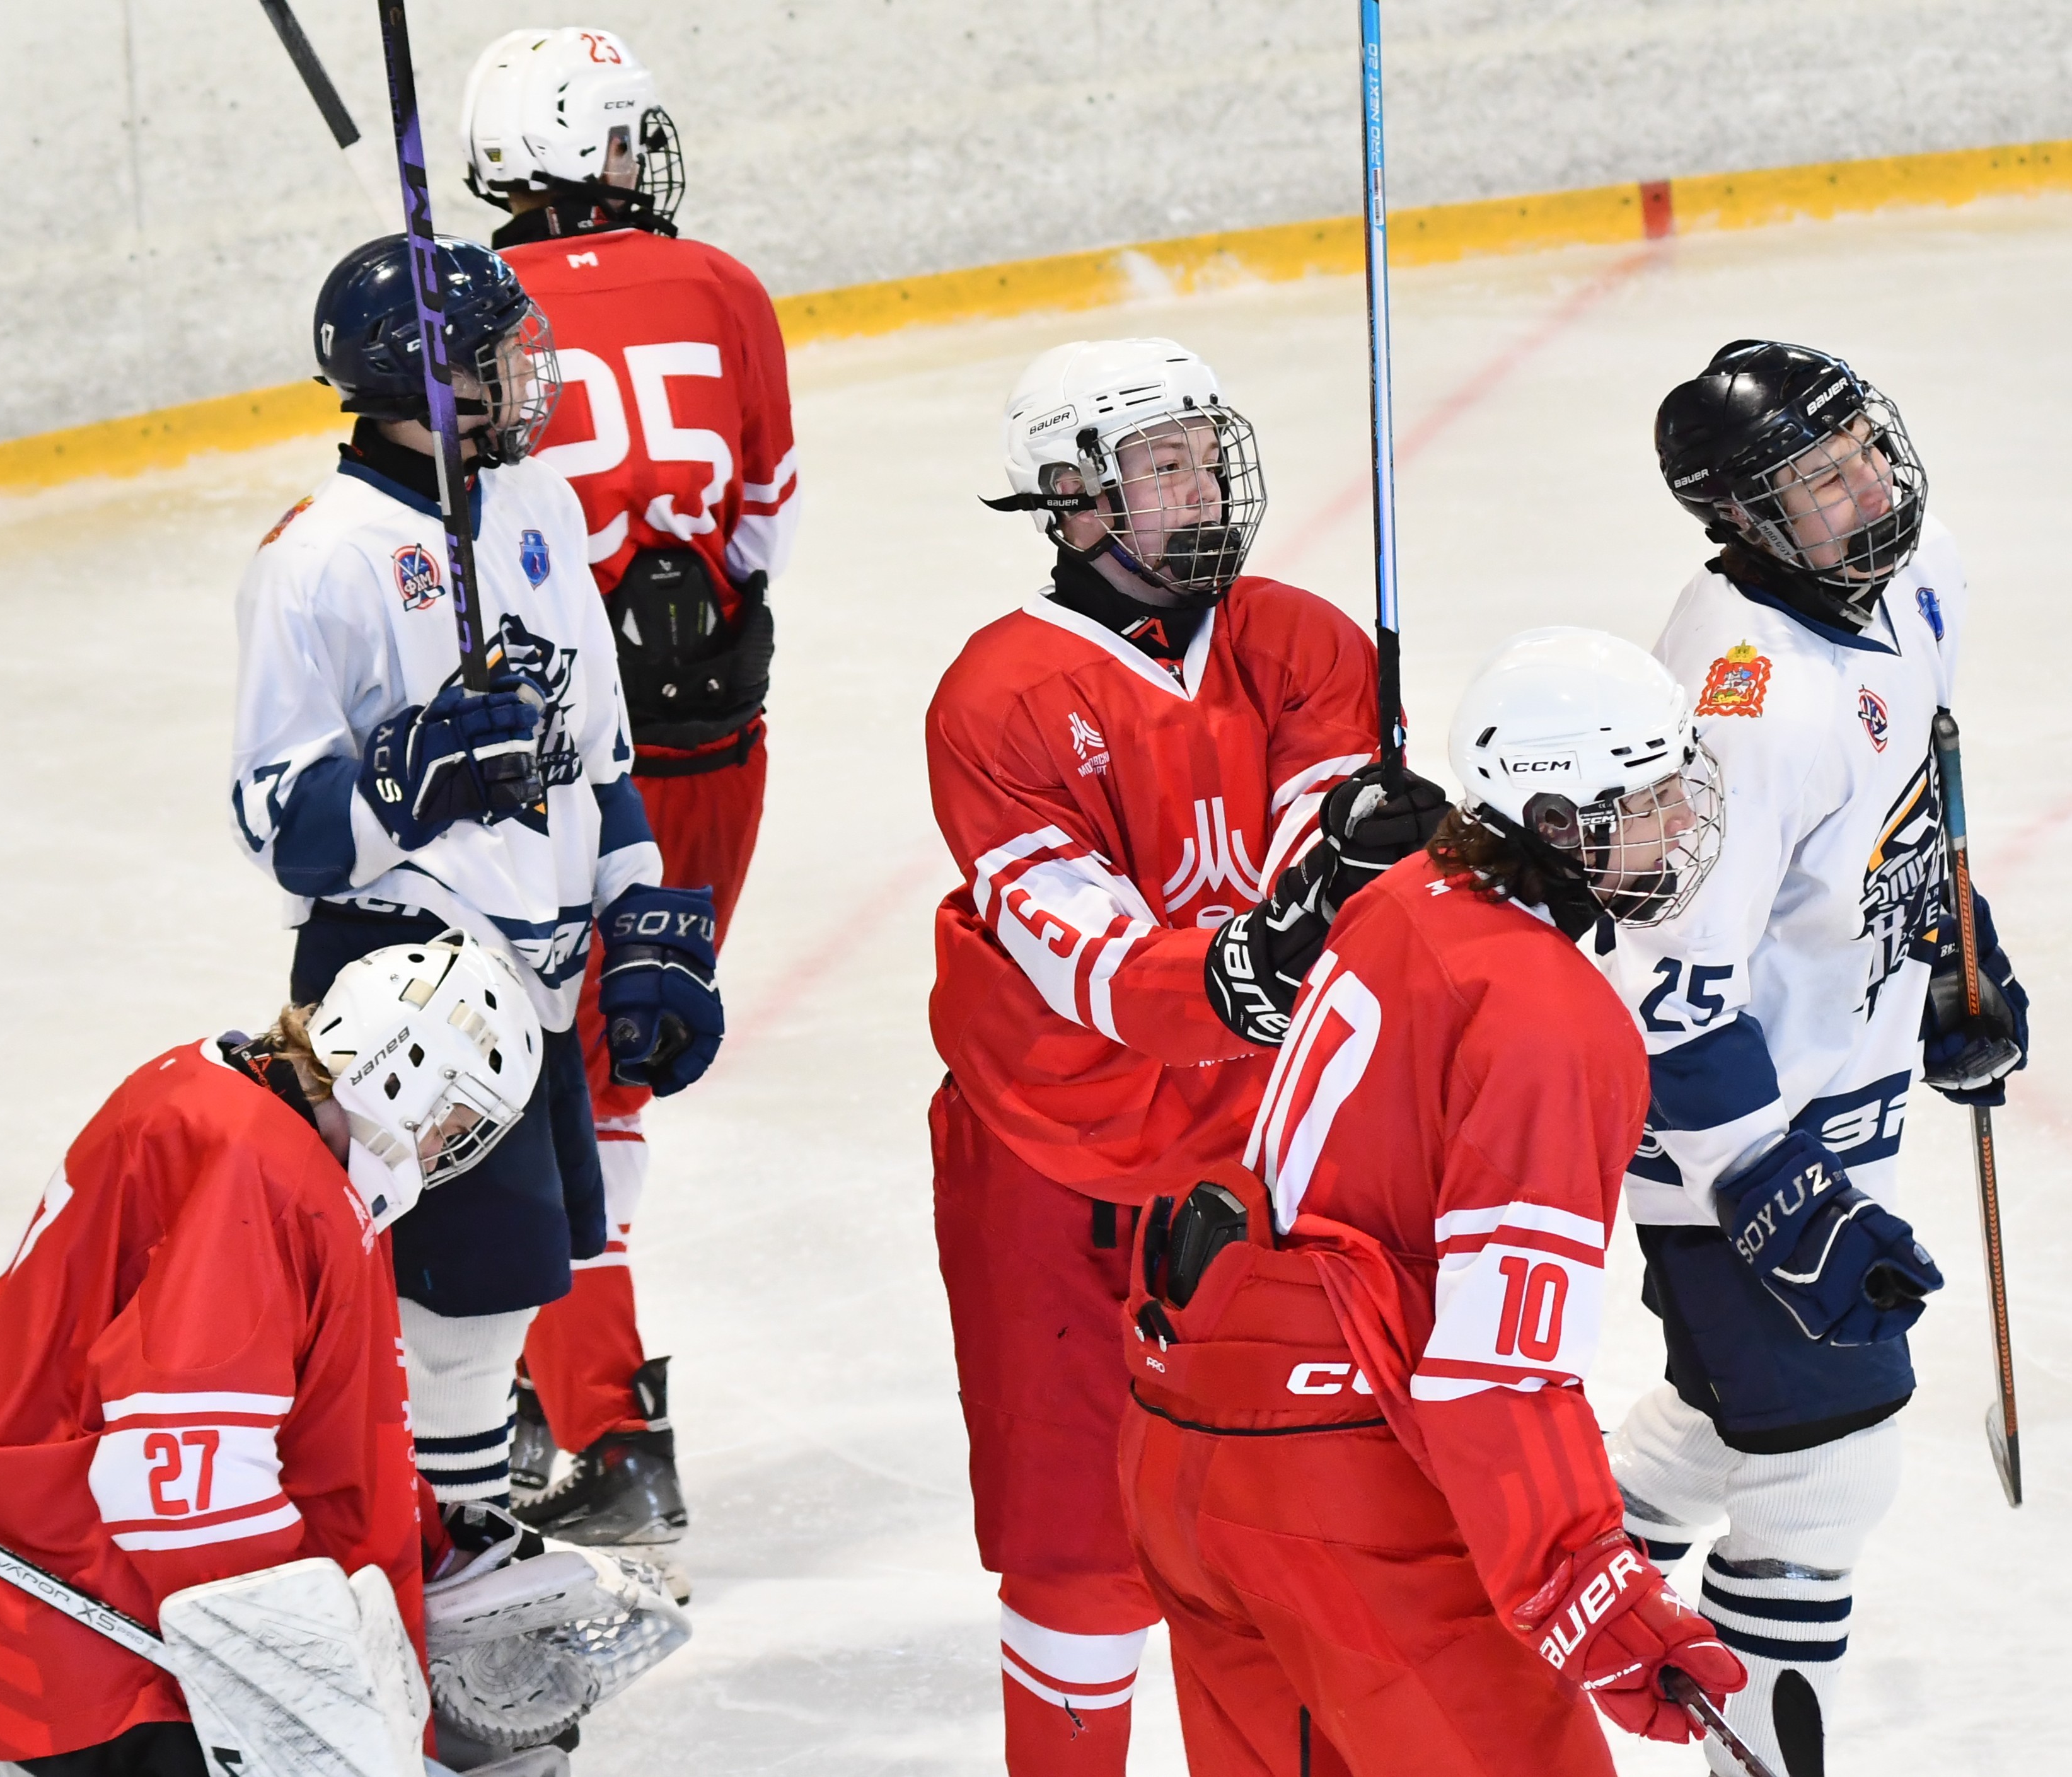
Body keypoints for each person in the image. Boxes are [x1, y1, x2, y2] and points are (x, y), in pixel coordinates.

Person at [925, 337, 1446, 1776]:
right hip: (1052, 1165)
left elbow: (1315, 818)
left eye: (1205, 454)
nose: (1203, 485)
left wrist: (1349, 874)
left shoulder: (1296, 636)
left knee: (1296, 1531)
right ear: (1070, 498)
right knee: (1079, 1557)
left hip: (1265, 1158)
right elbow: (1078, 952)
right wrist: (1255, 960)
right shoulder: (997, 700)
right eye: (1162, 464)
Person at [1119, 628, 1747, 1776]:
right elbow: (1492, 1369)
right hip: (1343, 1504)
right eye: (1649, 796)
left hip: (1188, 1457)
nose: (1679, 824)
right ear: (1556, 823)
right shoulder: (1550, 1017)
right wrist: (1587, 1596)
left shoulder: (1404, 897)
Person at [229, 233, 724, 1547]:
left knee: (508, 1286)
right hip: (402, 987)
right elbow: (276, 824)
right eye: (504, 354)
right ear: (430, 377)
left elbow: (600, 759)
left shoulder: (538, 509)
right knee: (425, 1311)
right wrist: (412, 782)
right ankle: (436, 1550)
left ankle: (453, 1531)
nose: (533, 372)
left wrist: (641, 916)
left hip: (540, 986)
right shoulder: (318, 558)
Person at [1600, 341, 2026, 1776]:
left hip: (1834, 1100)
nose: (1869, 487)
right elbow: (1655, 993)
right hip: (1721, 1139)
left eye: (1862, 448)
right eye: (1818, 481)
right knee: (1831, 1455)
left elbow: (1918, 784)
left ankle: (1519, 1589)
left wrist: (1957, 948)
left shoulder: (1925, 570)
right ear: (1743, 520)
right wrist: (1776, 1193)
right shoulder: (1732, 712)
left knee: (1742, 1420)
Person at [456, 25, 799, 1561]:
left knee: (545, 1083)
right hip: (718, 755)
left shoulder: (465, 317)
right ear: (596, 151)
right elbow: (765, 526)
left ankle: (601, 1425)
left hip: (567, 780)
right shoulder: (723, 286)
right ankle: (544, 1379)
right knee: (618, 1068)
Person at [0, 935, 541, 1774]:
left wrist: (437, 1545)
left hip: (108, 1594)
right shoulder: (262, 1176)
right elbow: (178, 1483)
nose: (449, 1149)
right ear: (406, 1074)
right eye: (457, 1119)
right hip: (98, 1635)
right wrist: (317, 1685)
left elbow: (317, 1424)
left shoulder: (259, 1122)